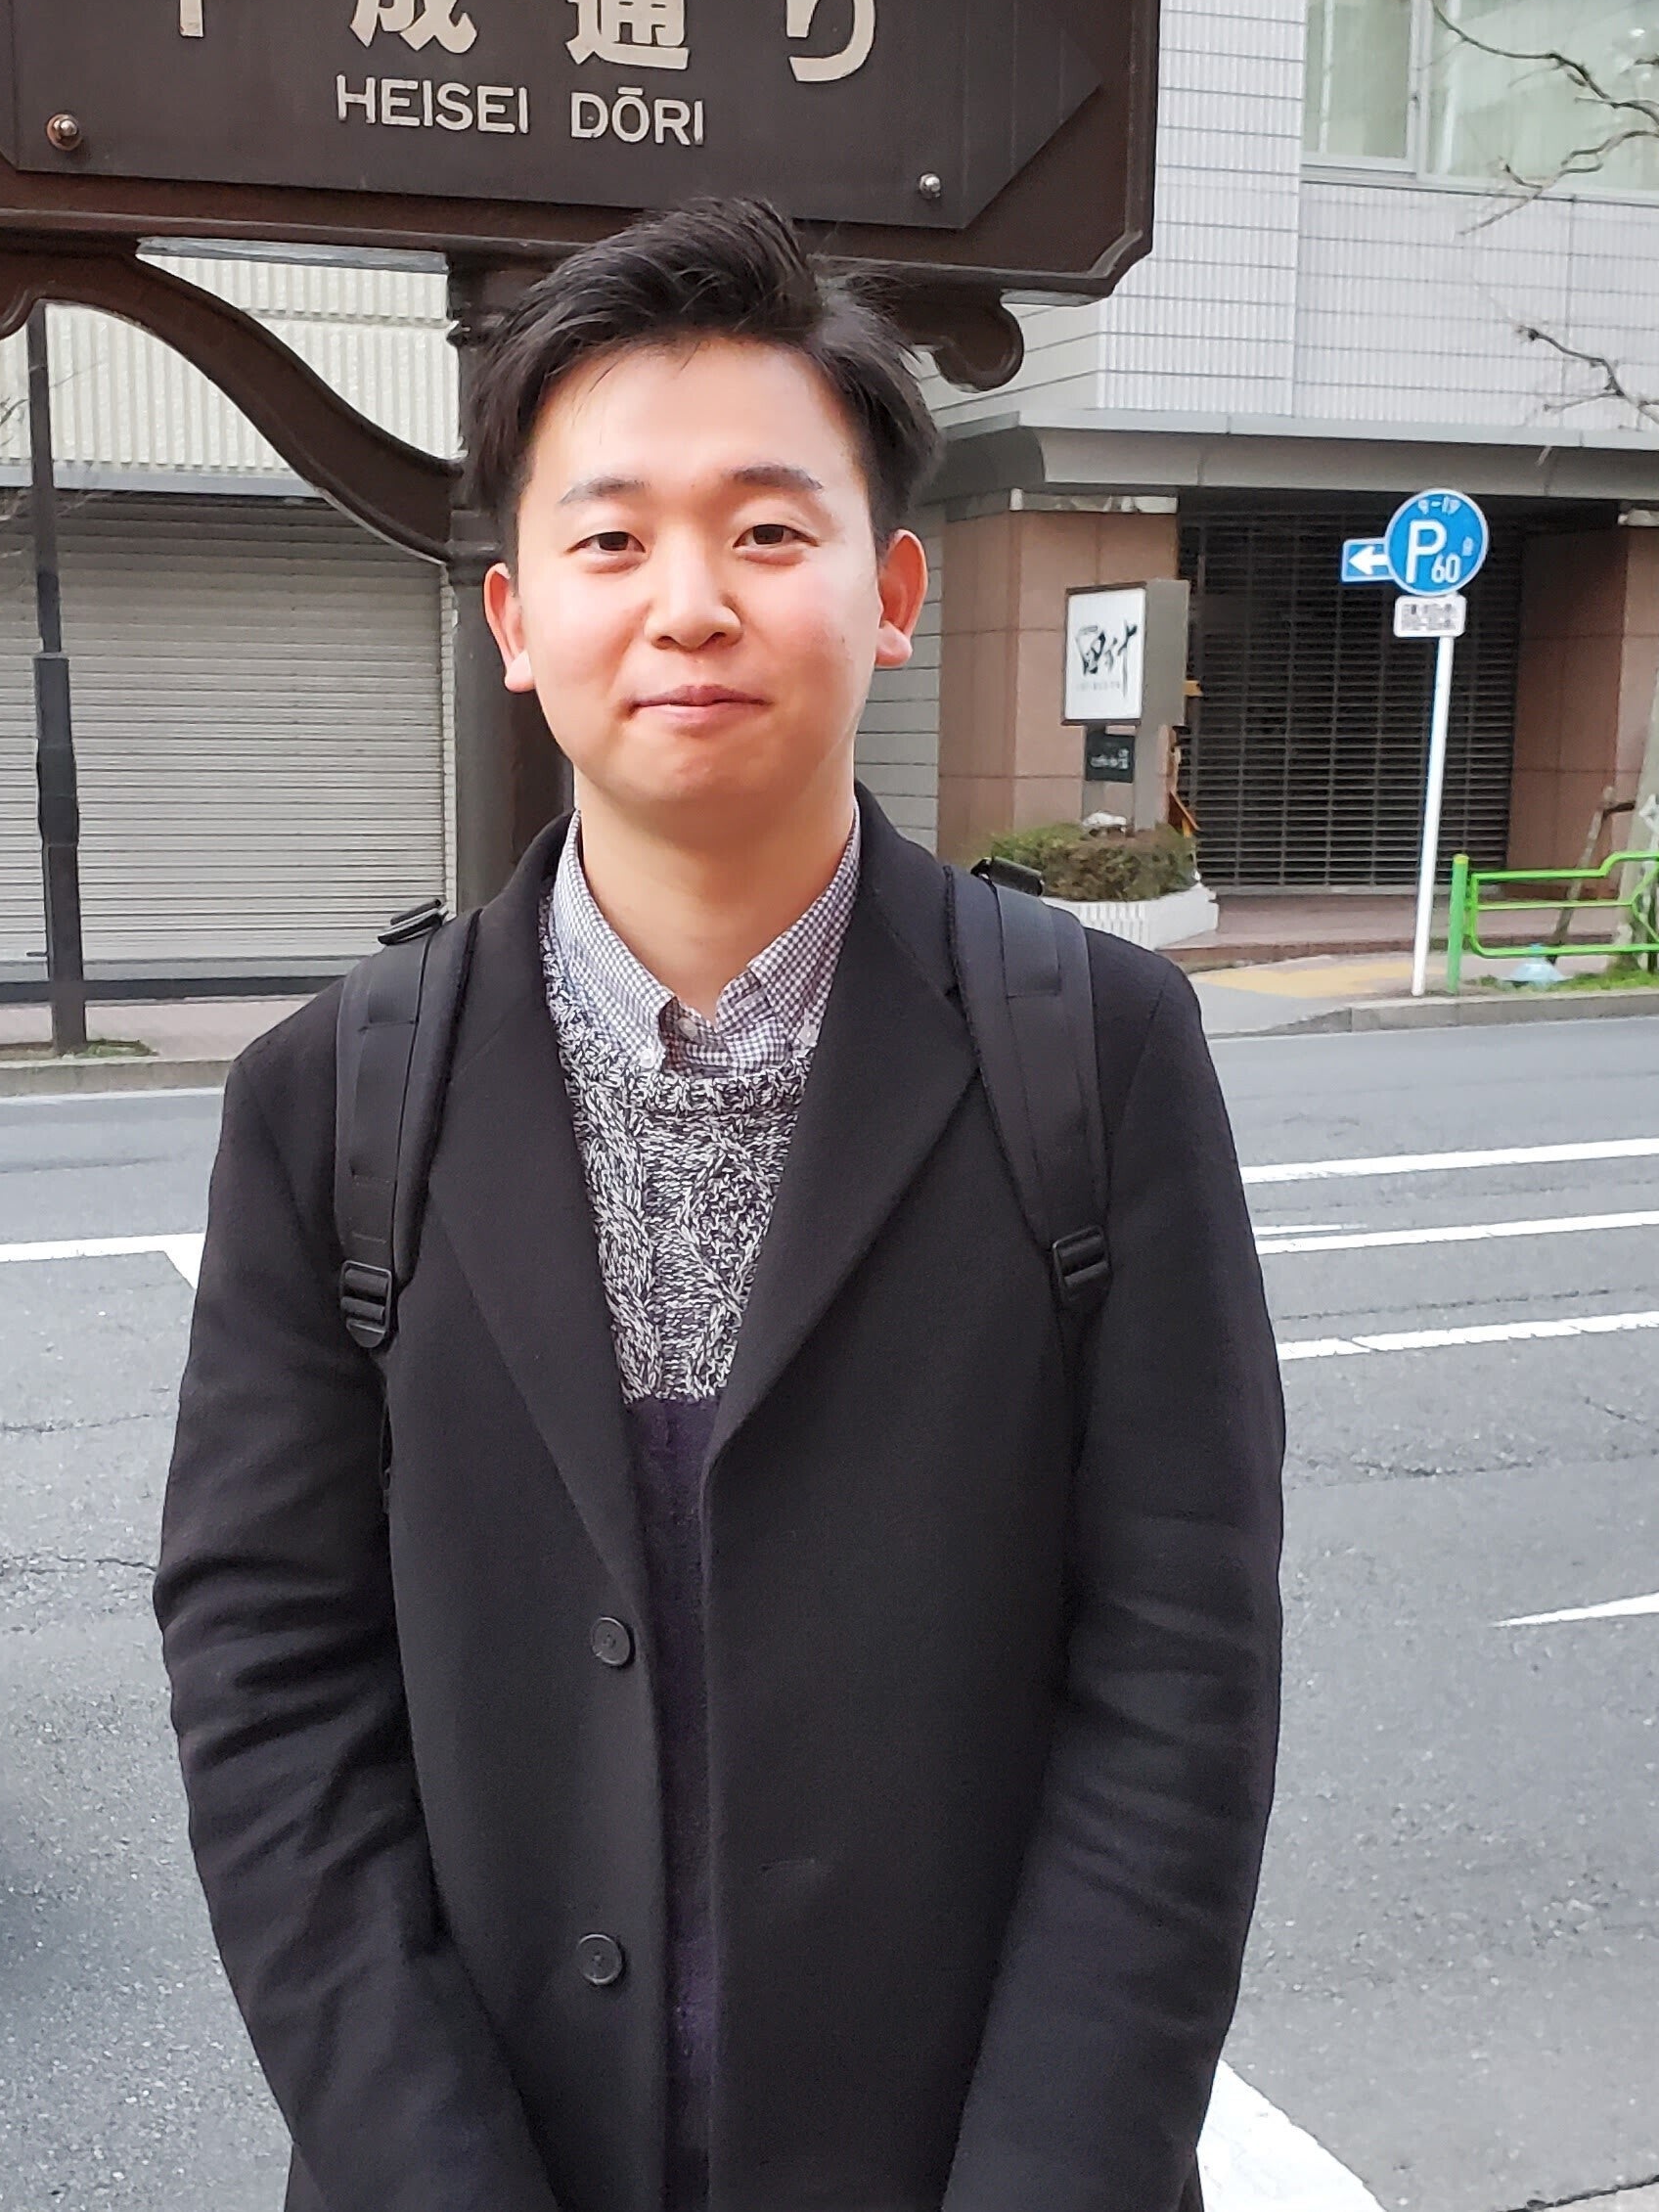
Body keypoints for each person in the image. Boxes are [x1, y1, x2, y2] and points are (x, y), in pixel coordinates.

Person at [157, 197, 1283, 2212]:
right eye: (608, 540)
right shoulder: (331, 1103)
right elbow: (268, 1686)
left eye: (768, 529)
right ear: (516, 618)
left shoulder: (1092, 1056)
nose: (688, 603)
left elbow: (1177, 1671)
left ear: (892, 588)